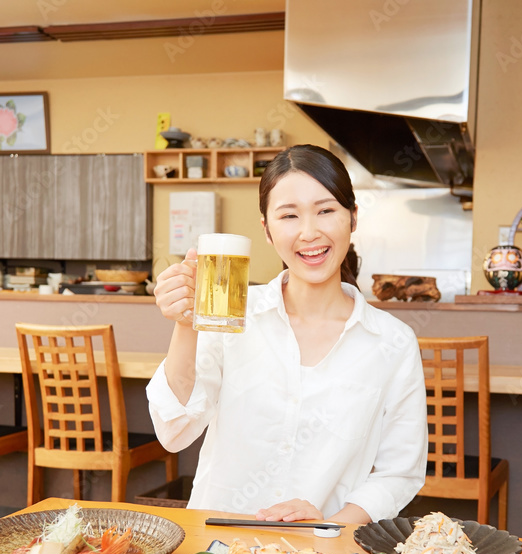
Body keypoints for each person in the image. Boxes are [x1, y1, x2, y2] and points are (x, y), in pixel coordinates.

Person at [146, 144, 426, 524]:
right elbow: (174, 431)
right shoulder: (229, 317)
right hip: (215, 549)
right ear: (267, 229)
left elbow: (399, 472)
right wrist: (184, 323)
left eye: (326, 211)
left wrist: (332, 524)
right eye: (289, 215)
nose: (309, 233)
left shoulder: (394, 342)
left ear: (353, 217)